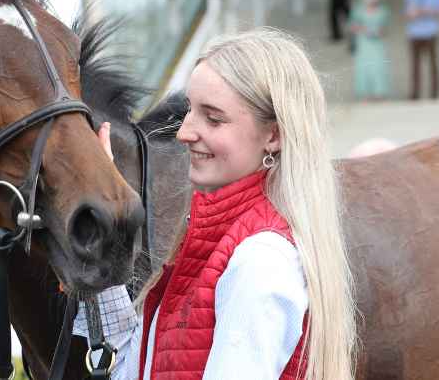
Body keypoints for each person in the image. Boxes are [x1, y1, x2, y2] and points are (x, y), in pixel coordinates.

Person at [74, 29, 357, 380]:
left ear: (273, 135)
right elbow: (136, 371)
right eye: (190, 110)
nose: (184, 132)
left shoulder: (259, 259)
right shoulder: (215, 243)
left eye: (213, 118)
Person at [349, 0, 391, 101]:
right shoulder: (358, 10)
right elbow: (352, 26)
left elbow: (385, 28)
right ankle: (365, 94)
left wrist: (377, 32)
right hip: (363, 44)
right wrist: (363, 29)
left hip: (377, 45)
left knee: (378, 67)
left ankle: (380, 93)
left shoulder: (383, 11)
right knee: (364, 68)